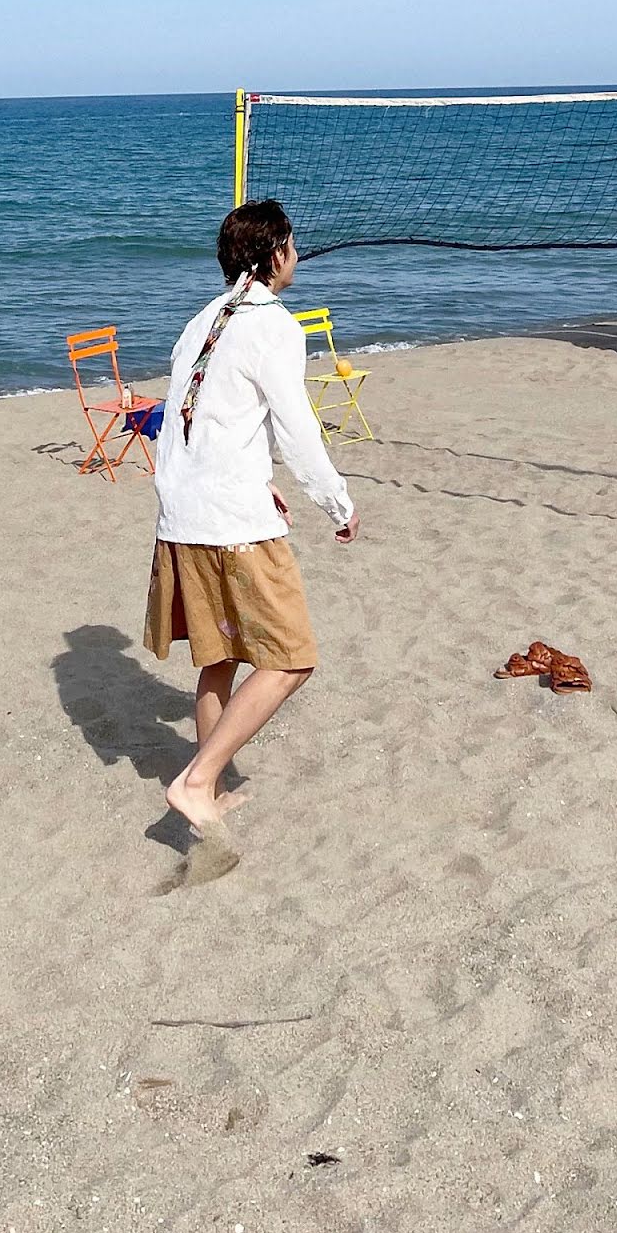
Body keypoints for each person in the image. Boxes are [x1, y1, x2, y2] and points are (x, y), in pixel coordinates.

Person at [144, 199, 360, 833]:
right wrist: (337, 501)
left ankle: (208, 793)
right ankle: (196, 781)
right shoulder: (274, 327)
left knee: (220, 656)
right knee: (292, 658)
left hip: (183, 512)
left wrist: (257, 478)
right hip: (229, 523)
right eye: (292, 244)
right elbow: (297, 431)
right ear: (276, 254)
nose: (297, 254)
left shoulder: (201, 319)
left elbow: (191, 419)